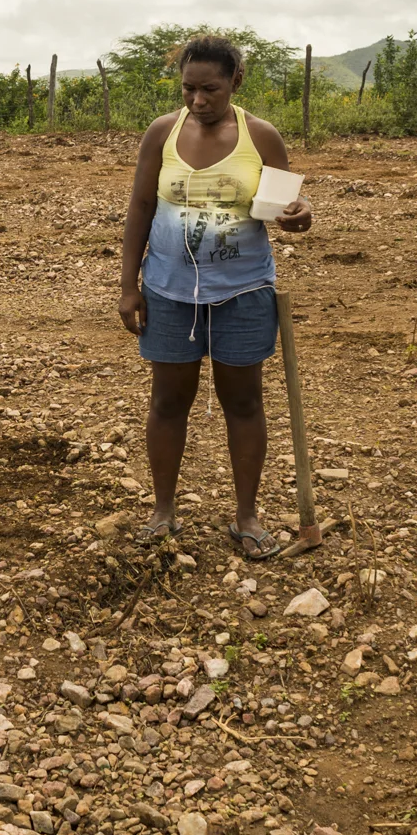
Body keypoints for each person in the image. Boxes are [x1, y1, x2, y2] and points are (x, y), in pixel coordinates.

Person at [117, 34, 314, 559]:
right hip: (169, 291)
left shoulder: (262, 138)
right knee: (167, 400)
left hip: (244, 293)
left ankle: (246, 517)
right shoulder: (162, 133)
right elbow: (140, 207)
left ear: (236, 81)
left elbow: (284, 210)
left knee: (244, 402)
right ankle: (163, 511)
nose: (198, 101)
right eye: (188, 89)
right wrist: (127, 286)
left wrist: (301, 214)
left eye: (210, 89)